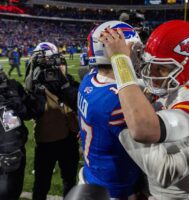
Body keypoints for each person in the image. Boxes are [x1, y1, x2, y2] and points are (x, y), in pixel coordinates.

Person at [100, 20, 189, 199]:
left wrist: (120, 61)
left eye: (163, 68)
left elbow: (144, 132)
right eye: (151, 65)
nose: (152, 74)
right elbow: (120, 84)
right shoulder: (166, 88)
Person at [77, 21, 143, 199]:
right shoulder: (117, 101)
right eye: (134, 50)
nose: (139, 55)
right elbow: (148, 138)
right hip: (115, 188)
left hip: (92, 172)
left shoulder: (88, 80)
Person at [25, 42, 80, 200]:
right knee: (42, 184)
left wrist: (64, 85)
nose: (50, 67)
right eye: (44, 62)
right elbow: (31, 111)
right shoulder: (35, 85)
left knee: (69, 181)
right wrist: (36, 88)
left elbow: (78, 103)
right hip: (46, 141)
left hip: (69, 139)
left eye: (53, 61)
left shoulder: (66, 79)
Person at [0, 65, 45, 200]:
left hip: (16, 152)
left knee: (14, 192)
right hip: (5, 152)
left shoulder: (11, 86)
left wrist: (35, 94)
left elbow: (30, 113)